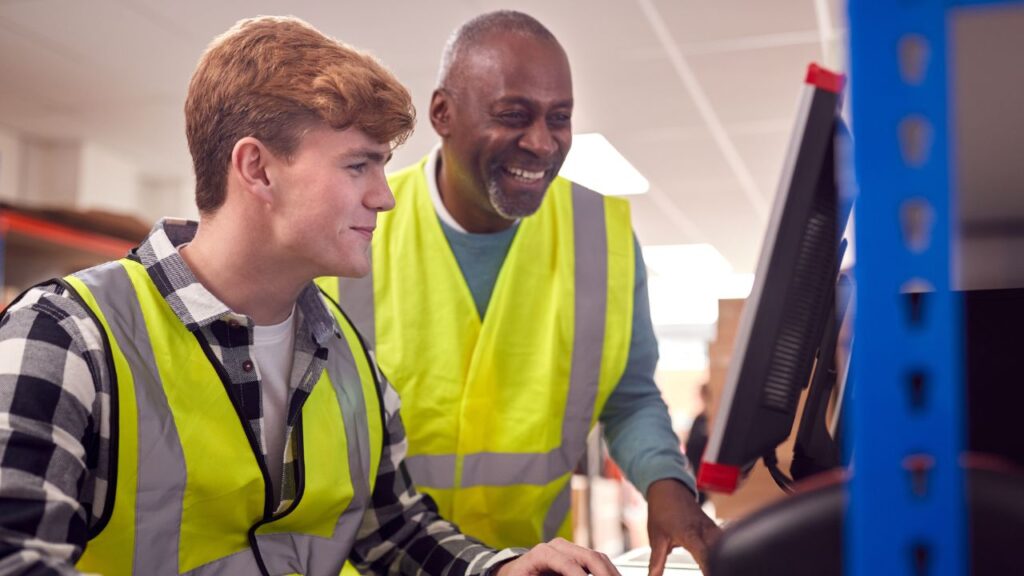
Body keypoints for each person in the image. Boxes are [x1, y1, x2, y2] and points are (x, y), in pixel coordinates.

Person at [0, 16, 622, 576]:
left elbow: (392, 530)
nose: (385, 196)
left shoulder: (347, 356)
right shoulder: (65, 337)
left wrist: (499, 570)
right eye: (358, 166)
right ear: (258, 169)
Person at [317, 10, 721, 575]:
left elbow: (628, 394)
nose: (541, 142)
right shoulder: (354, 228)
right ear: (443, 114)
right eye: (513, 115)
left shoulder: (600, 235)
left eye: (560, 118)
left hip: (534, 565)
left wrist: (666, 482)